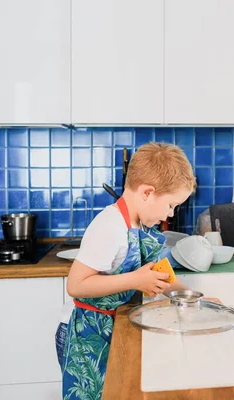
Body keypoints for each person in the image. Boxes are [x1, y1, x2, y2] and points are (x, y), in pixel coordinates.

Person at [57, 142, 196, 400]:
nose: (171, 214)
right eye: (170, 205)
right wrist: (135, 279)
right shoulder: (109, 226)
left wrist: (192, 296)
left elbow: (154, 275)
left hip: (110, 325)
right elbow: (76, 285)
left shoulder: (136, 223)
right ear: (147, 193)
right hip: (85, 332)